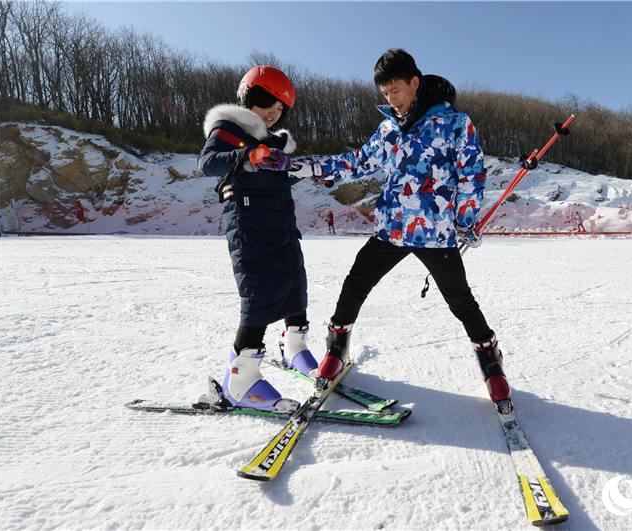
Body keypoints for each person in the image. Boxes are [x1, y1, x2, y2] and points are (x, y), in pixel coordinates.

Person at [297, 49, 511, 408]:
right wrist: (316, 169)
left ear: (414, 82)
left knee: (461, 301)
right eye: (384, 94)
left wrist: (466, 218)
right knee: (356, 284)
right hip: (391, 229)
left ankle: (490, 360)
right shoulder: (388, 129)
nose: (390, 100)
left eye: (394, 90)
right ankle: (337, 345)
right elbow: (360, 162)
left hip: (435, 232)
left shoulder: (456, 123)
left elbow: (472, 174)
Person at [197, 65, 318, 412]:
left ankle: (296, 347)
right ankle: (241, 381)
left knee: (295, 281)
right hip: (249, 224)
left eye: (280, 108)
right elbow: (207, 163)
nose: (274, 111)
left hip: (280, 222)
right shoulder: (229, 130)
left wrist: (306, 175)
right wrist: (247, 155)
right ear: (249, 96)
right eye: (268, 102)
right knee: (260, 293)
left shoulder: (271, 142)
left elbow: (276, 178)